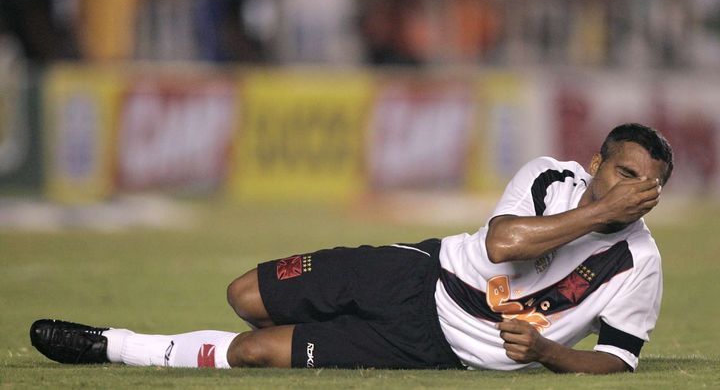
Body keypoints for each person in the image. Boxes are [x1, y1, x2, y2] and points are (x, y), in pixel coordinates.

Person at [30, 123, 673, 374]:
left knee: (256, 352)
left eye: (651, 187)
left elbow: (618, 360)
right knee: (245, 295)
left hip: (442, 349)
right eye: (626, 174)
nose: (638, 193)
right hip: (416, 272)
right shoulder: (549, 177)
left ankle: (108, 345)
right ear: (595, 163)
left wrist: (548, 352)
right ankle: (321, 327)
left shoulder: (640, 263)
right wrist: (602, 214)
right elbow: (504, 244)